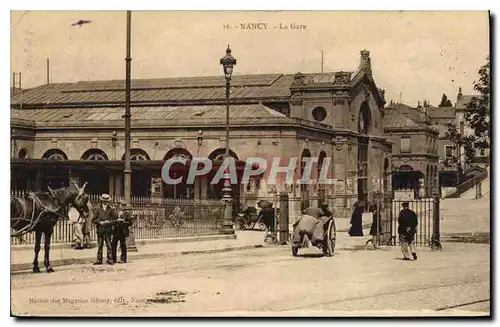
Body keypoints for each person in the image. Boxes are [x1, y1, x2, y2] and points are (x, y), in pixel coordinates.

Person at [92, 194, 116, 265]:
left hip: (108, 230)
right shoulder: (97, 209)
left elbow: (114, 220)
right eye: (104, 201)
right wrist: (99, 222)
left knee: (109, 245)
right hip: (100, 229)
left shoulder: (111, 209)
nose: (105, 202)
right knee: (100, 245)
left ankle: (109, 259)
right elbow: (93, 220)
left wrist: (109, 222)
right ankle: (99, 259)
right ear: (101, 201)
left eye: (107, 201)